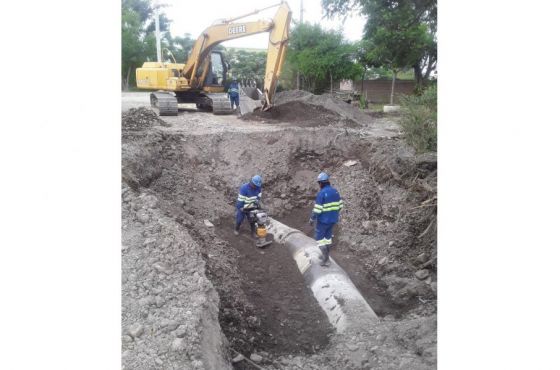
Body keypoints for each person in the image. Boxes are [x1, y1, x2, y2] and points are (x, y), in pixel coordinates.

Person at [309, 172, 343, 266]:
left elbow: (317, 210)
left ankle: (325, 260)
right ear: (328, 181)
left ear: (320, 183)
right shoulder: (335, 191)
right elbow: (340, 206)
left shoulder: (322, 193)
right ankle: (326, 256)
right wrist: (333, 213)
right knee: (327, 239)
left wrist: (312, 219)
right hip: (333, 220)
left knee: (319, 239)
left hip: (323, 221)